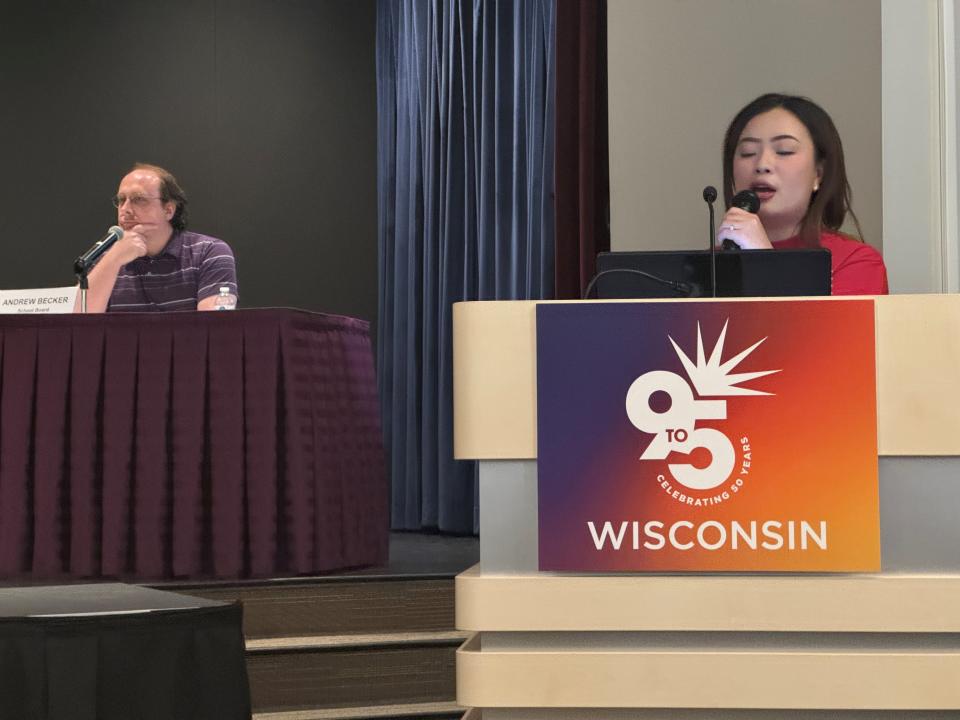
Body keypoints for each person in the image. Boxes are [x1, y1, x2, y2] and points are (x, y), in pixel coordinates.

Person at [717, 93, 888, 295]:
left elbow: (818, 327)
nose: (762, 165)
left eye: (784, 151)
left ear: (818, 173)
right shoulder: (710, 265)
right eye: (748, 152)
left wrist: (763, 261)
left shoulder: (854, 261)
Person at [77, 163, 238, 312]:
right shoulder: (107, 259)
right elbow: (77, 323)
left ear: (168, 210)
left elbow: (214, 329)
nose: (125, 209)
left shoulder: (209, 252)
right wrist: (113, 259)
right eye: (121, 200)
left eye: (138, 199)